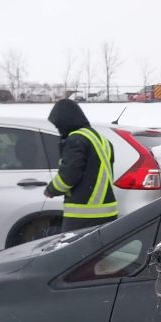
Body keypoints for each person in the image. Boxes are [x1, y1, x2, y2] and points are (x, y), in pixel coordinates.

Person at [44, 99, 118, 231]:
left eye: (58, 125)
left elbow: (68, 176)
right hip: (108, 211)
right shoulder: (102, 139)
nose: (58, 128)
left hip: (83, 214)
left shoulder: (76, 140)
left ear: (65, 121)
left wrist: (51, 190)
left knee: (73, 251)